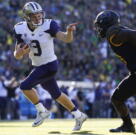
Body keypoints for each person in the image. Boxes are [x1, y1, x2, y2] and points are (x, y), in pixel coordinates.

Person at [13, 2, 87, 130]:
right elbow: (17, 55)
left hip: (49, 64)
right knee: (56, 95)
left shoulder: (49, 25)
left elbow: (66, 38)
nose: (38, 18)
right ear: (26, 17)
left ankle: (42, 111)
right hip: (37, 65)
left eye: (39, 14)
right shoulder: (19, 28)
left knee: (25, 86)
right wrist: (20, 52)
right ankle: (78, 115)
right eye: (34, 16)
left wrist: (69, 32)